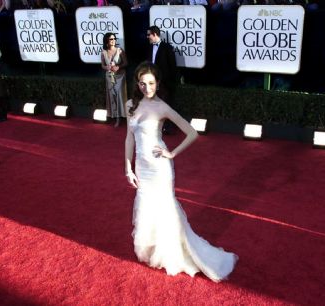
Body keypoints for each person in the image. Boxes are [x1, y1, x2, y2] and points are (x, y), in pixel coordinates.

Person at [125, 62, 237, 282]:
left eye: (150, 83)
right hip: (142, 166)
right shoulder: (130, 104)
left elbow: (192, 133)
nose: (147, 88)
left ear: (157, 84)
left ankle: (171, 253)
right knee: (147, 206)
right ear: (137, 85)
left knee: (166, 209)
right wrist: (127, 167)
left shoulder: (162, 108)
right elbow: (129, 137)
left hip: (159, 168)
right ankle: (153, 248)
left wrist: (172, 153)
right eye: (142, 83)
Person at [146, 25, 178, 134]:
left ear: (155, 34)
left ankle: (168, 127)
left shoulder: (167, 47)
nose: (147, 37)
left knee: (167, 104)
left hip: (165, 82)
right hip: (152, 82)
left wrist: (171, 82)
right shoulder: (149, 47)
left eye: (149, 34)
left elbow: (172, 66)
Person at [101, 32, 128, 128]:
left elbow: (126, 63)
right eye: (111, 39)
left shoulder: (120, 50)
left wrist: (118, 67)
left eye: (114, 39)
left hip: (120, 76)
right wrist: (107, 67)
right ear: (107, 41)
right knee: (112, 96)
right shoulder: (104, 52)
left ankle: (121, 117)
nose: (113, 41)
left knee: (120, 96)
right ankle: (115, 117)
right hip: (109, 77)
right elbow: (102, 65)